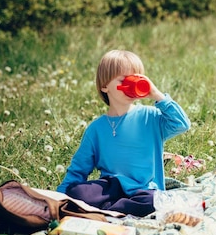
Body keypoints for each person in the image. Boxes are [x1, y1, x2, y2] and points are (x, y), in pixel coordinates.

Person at [56, 50, 190, 217]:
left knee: (154, 202)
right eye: (124, 80)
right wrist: (59, 198)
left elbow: (182, 124)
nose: (131, 85)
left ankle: (109, 210)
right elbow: (78, 170)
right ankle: (116, 208)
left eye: (136, 79)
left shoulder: (150, 117)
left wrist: (157, 95)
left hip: (144, 189)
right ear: (105, 86)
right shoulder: (96, 129)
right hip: (110, 188)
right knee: (77, 193)